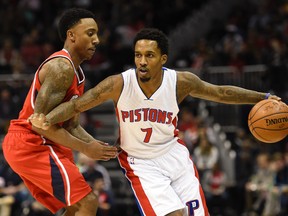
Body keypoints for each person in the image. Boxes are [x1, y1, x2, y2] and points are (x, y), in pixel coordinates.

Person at [29, 28, 281, 216]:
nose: (141, 61)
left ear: (163, 59)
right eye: (138, 55)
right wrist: (45, 118)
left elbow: (220, 92)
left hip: (174, 154)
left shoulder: (181, 82)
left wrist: (263, 97)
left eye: (149, 55)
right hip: (141, 163)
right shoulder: (119, 84)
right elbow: (77, 105)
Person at [1, 8, 118, 216]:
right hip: (31, 142)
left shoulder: (76, 72)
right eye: (90, 33)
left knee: (76, 206)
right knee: (88, 202)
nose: (97, 40)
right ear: (71, 35)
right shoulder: (61, 68)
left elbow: (71, 125)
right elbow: (39, 124)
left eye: (97, 34)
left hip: (42, 141)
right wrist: (85, 148)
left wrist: (99, 147)